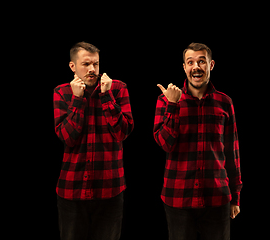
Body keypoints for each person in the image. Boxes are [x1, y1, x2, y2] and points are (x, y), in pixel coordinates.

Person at [153, 42, 242, 240]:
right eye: (190, 62)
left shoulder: (225, 102)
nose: (196, 66)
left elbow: (232, 151)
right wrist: (173, 106)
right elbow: (164, 144)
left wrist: (235, 196)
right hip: (178, 198)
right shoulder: (166, 100)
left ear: (211, 65)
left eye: (202, 61)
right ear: (184, 67)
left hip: (217, 198)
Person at [53, 41, 134, 240]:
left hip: (110, 189)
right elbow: (67, 138)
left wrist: (106, 97)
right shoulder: (62, 92)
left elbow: (123, 132)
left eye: (96, 64)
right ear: (73, 66)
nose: (92, 70)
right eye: (86, 64)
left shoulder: (117, 88)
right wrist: (78, 100)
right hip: (72, 190)